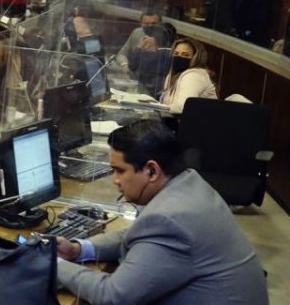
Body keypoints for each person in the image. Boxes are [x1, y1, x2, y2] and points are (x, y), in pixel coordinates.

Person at [55, 120, 268, 304]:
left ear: (152, 171)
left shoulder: (169, 219)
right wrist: (78, 250)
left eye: (120, 170)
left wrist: (54, 264)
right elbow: (137, 235)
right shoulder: (189, 182)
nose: (115, 181)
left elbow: (113, 296)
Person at [160, 38, 217, 114]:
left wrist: (156, 108)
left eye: (185, 55)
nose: (179, 57)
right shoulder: (174, 74)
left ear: (196, 58)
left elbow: (183, 107)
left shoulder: (194, 76)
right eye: (176, 53)